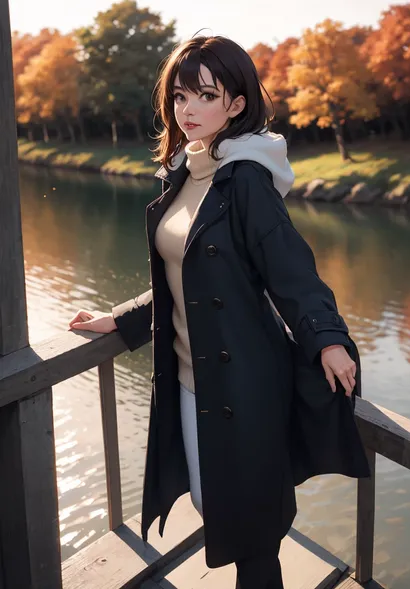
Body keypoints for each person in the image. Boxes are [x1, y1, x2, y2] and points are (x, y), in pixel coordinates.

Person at [69, 35, 358, 589]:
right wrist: (122, 318)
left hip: (244, 383)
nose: (189, 109)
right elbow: (189, 278)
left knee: (251, 532)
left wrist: (328, 338)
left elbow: (292, 270)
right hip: (187, 380)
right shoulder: (183, 171)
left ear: (237, 104)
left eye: (206, 95)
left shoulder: (246, 178)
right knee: (210, 502)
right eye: (180, 96)